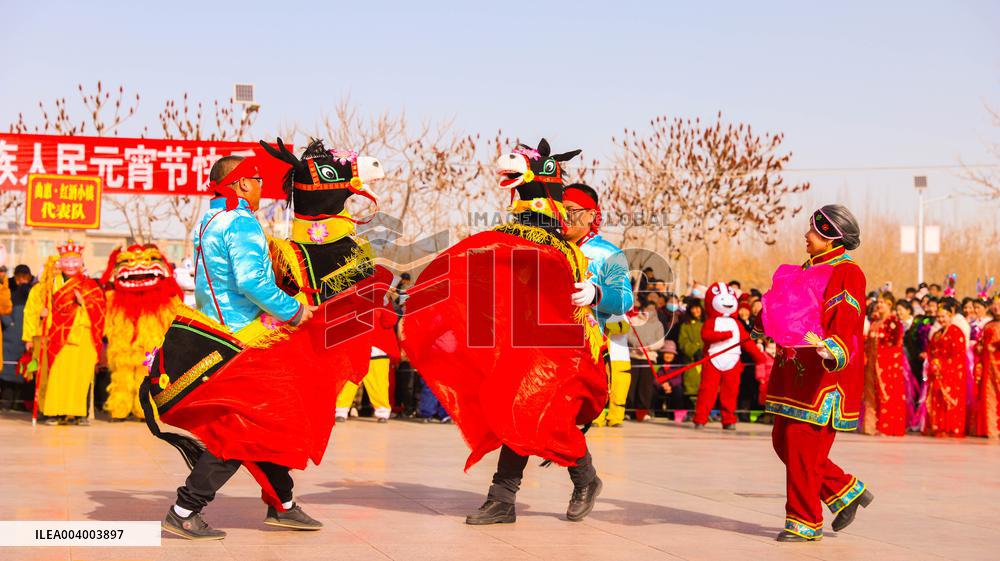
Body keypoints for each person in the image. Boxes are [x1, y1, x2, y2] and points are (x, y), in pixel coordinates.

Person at [158, 155, 322, 540]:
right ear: (243, 183)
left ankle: (282, 504)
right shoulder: (241, 221)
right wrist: (295, 310)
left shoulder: (209, 220)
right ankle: (185, 509)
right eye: (258, 179)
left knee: (266, 424)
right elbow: (251, 282)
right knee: (240, 430)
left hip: (218, 333)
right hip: (245, 340)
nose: (263, 186)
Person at [761, 205, 872, 542]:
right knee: (784, 441)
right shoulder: (805, 269)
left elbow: (846, 315)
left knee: (803, 447)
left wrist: (835, 347)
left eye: (813, 230)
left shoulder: (847, 271)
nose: (806, 235)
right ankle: (845, 490)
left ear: (830, 237)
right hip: (794, 371)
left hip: (823, 373)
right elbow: (787, 311)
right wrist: (763, 323)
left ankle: (805, 521)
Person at [562, 183, 634, 428]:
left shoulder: (607, 253)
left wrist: (596, 293)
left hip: (590, 347)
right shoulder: (550, 247)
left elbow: (625, 299)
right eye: (560, 209)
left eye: (571, 210)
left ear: (591, 215)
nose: (564, 216)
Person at [22, 243, 106, 426]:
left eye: (75, 261)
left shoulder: (90, 285)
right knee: (57, 376)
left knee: (79, 378)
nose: (71, 265)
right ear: (60, 263)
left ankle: (77, 414)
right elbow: (33, 311)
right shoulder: (48, 285)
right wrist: (41, 316)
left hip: (83, 338)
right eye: (66, 261)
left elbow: (100, 310)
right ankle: (56, 413)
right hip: (57, 337)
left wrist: (83, 303)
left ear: (81, 263)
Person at [336, 305, 400, 423]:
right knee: (350, 382)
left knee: (379, 383)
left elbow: (390, 321)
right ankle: (341, 410)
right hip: (356, 348)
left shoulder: (383, 302)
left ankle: (382, 412)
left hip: (378, 348)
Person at [862, 292, 907, 436]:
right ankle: (871, 426)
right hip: (872, 365)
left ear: (889, 304)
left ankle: (886, 426)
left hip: (887, 366)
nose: (878, 305)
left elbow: (894, 346)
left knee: (886, 394)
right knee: (871, 394)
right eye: (878, 302)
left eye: (882, 302)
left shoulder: (893, 323)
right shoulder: (875, 322)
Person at [924, 299, 968, 438]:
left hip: (952, 372)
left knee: (949, 400)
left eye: (943, 316)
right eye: (938, 317)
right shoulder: (937, 334)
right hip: (937, 372)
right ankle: (938, 426)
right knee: (937, 400)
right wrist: (933, 364)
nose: (941, 319)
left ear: (950, 316)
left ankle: (951, 428)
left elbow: (958, 355)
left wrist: (942, 366)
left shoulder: (956, 332)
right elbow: (931, 351)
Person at [1, 265, 34, 409]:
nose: (22, 281)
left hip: (26, 336)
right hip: (10, 337)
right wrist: (10, 323)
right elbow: (3, 307)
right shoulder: (7, 288)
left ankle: (20, 403)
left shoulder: (33, 290)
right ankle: (6, 402)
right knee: (8, 371)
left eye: (25, 277)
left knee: (24, 370)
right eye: (19, 277)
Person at [628, 301, 666, 421]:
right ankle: (628, 411)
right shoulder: (634, 320)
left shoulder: (658, 324)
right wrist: (637, 345)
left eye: (653, 309)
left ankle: (642, 412)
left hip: (649, 357)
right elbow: (629, 335)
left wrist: (648, 347)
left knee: (645, 386)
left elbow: (660, 341)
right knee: (631, 385)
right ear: (643, 308)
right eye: (648, 308)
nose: (650, 311)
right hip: (634, 356)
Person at [974, 297, 999, 439]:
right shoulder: (988, 325)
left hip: (997, 365)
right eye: (994, 305)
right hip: (989, 367)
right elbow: (981, 343)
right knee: (989, 396)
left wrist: (996, 346)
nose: (996, 307)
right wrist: (979, 347)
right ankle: (990, 428)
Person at [677, 299, 704, 409]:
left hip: (707, 359)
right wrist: (694, 350)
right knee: (691, 387)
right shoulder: (685, 325)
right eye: (693, 308)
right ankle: (691, 410)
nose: (695, 310)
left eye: (697, 308)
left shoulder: (708, 323)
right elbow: (683, 341)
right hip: (691, 360)